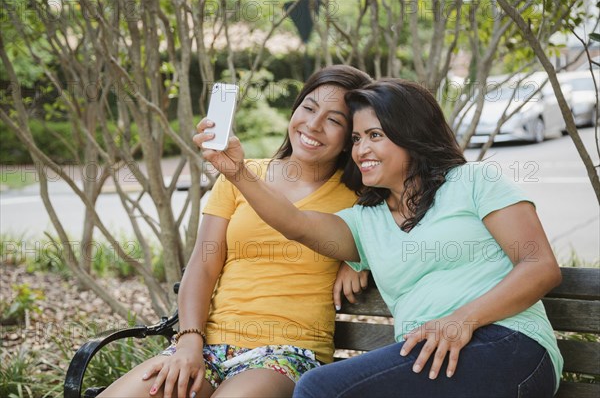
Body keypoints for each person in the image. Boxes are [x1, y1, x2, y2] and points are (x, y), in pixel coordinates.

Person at [195, 78, 564, 397]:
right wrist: (238, 172)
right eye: (356, 138)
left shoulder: (474, 181)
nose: (361, 150)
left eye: (375, 136)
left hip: (508, 343)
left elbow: (540, 266)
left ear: (412, 135)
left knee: (320, 390)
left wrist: (461, 320)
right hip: (427, 358)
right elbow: (296, 223)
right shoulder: (364, 221)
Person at [98, 65, 372, 398]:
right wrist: (188, 343)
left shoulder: (359, 200)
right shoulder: (241, 174)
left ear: (349, 139)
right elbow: (202, 265)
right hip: (207, 346)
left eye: (334, 120)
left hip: (287, 353)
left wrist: (360, 260)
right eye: (309, 108)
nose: (313, 125)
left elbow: (404, 229)